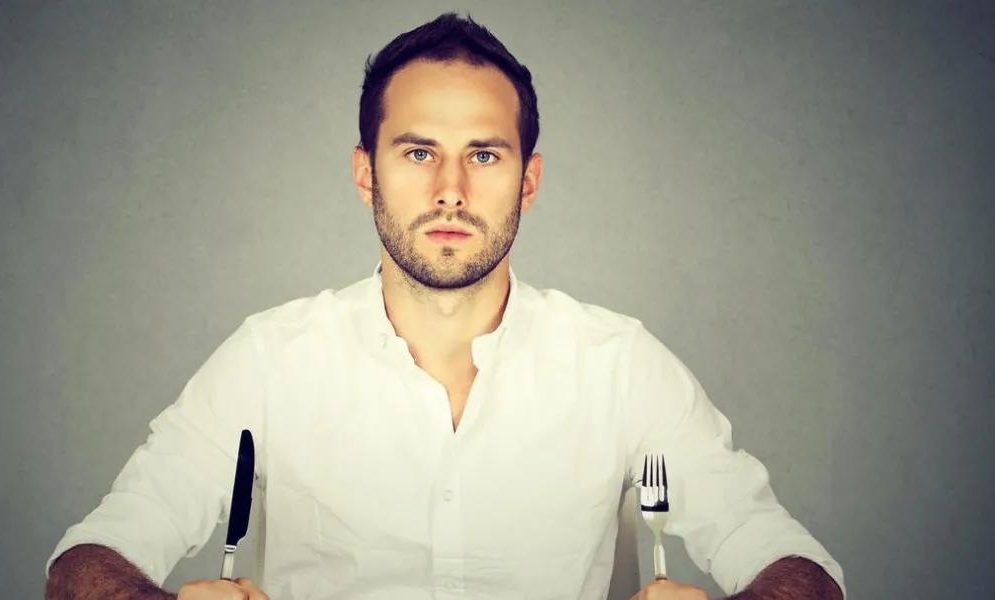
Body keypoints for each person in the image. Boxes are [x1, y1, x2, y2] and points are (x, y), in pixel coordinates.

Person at [45, 12, 846, 600]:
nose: (451, 190)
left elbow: (795, 566)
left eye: (485, 154)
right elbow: (87, 562)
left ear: (528, 179)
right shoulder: (270, 358)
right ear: (367, 173)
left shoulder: (620, 365)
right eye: (418, 151)